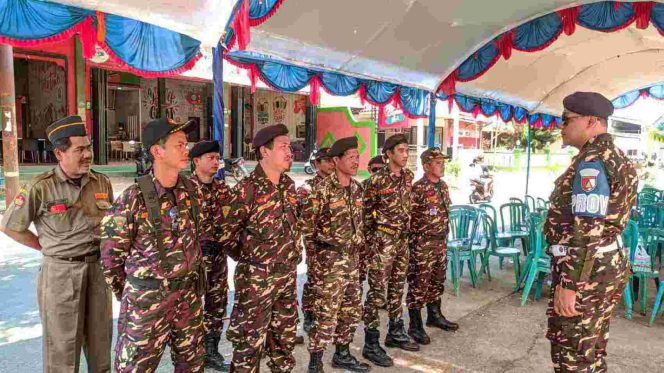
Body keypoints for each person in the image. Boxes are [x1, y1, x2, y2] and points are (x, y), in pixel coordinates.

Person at [0, 115, 114, 372]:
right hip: (61, 275)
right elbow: (10, 226)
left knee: (100, 347)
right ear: (60, 153)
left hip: (98, 272)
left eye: (89, 147)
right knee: (62, 353)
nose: (87, 154)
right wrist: (46, 247)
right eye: (79, 149)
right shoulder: (41, 187)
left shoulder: (102, 182)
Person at [100, 118, 206, 372]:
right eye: (179, 144)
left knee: (191, 366)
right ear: (157, 152)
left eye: (186, 144)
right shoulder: (132, 199)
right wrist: (138, 291)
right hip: (146, 304)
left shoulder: (191, 191)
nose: (186, 149)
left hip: (187, 299)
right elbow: (110, 259)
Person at [544, 92, 638, 372]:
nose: (561, 126)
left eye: (566, 120)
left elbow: (587, 230)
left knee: (572, 355)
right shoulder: (615, 157)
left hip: (587, 270)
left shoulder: (593, 163)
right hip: (601, 266)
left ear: (591, 121)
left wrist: (571, 285)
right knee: (592, 350)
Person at [219, 124, 299, 372]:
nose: (290, 152)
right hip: (256, 281)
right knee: (248, 347)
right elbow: (227, 236)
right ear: (265, 151)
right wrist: (253, 261)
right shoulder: (246, 190)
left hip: (287, 277)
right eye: (283, 147)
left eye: (289, 146)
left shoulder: (288, 186)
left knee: (284, 342)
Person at [302, 137, 371, 373]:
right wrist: (318, 261)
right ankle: (315, 362)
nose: (355, 161)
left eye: (357, 156)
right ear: (336, 160)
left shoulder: (357, 189)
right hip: (329, 263)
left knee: (351, 309)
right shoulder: (321, 190)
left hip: (352, 260)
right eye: (350, 157)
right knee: (325, 313)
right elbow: (307, 229)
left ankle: (342, 354)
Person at [362, 134, 418, 368]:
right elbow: (365, 214)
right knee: (376, 292)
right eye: (402, 151)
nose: (406, 155)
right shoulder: (376, 181)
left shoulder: (408, 177)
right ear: (389, 154)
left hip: (402, 241)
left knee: (397, 288)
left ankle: (395, 330)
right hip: (382, 241)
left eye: (407, 150)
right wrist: (371, 242)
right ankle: (371, 342)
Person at [407, 148, 459, 346]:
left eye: (442, 161)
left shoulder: (443, 186)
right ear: (426, 166)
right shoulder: (418, 188)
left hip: (440, 242)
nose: (442, 165)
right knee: (419, 283)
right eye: (437, 162)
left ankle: (434, 315)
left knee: (437, 281)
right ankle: (415, 324)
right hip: (423, 244)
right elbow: (409, 217)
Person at [189, 140, 231, 371]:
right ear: (196, 161)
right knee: (192, 306)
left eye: (217, 158)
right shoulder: (185, 188)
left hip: (218, 260)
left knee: (217, 304)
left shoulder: (223, 189)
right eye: (211, 158)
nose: (216, 162)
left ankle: (211, 351)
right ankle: (192, 352)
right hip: (193, 261)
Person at [297, 146, 334, 333]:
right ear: (317, 164)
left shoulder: (340, 185)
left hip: (335, 243)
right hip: (315, 243)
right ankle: (310, 314)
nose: (331, 164)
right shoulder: (308, 187)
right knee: (314, 279)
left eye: (332, 159)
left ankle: (327, 313)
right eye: (326, 160)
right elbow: (301, 218)